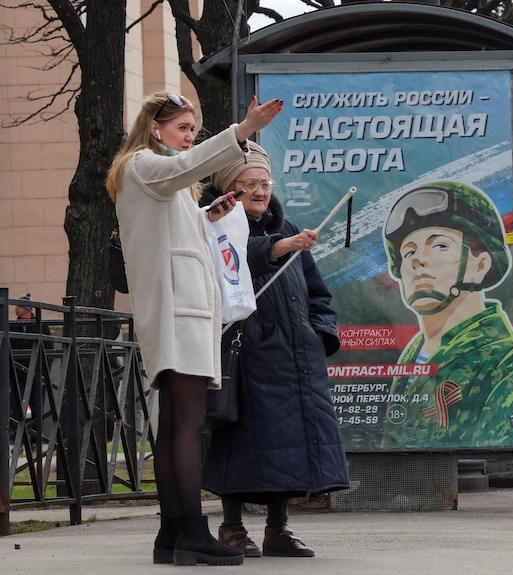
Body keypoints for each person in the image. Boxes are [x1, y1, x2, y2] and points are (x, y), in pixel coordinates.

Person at [105, 90, 283, 566]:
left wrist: (209, 216)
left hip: (177, 309)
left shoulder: (154, 175)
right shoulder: (144, 163)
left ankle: (172, 535)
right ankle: (191, 533)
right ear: (154, 128)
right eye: (183, 128)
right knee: (186, 426)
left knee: (175, 427)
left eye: (193, 131)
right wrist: (242, 132)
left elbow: (173, 233)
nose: (189, 138)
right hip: (179, 311)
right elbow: (181, 174)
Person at [200, 141, 349, 558]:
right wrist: (279, 248)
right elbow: (232, 262)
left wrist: (319, 334)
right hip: (245, 357)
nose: (260, 190)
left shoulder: (287, 228)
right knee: (239, 442)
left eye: (265, 182)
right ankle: (231, 527)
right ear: (229, 186)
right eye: (249, 183)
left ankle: (277, 529)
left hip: (296, 356)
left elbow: (319, 296)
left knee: (289, 445)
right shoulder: (212, 225)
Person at [381, 181, 513, 449]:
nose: (417, 260)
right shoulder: (413, 354)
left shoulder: (503, 359)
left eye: (440, 246)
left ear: (480, 265)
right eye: (408, 251)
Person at [8, 293, 53, 442]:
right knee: (17, 406)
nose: (15, 309)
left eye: (18, 306)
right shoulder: (12, 327)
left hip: (36, 374)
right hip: (17, 374)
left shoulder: (41, 326)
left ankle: (35, 440)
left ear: (26, 309)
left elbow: (49, 352)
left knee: (37, 407)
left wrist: (44, 374)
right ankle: (18, 439)